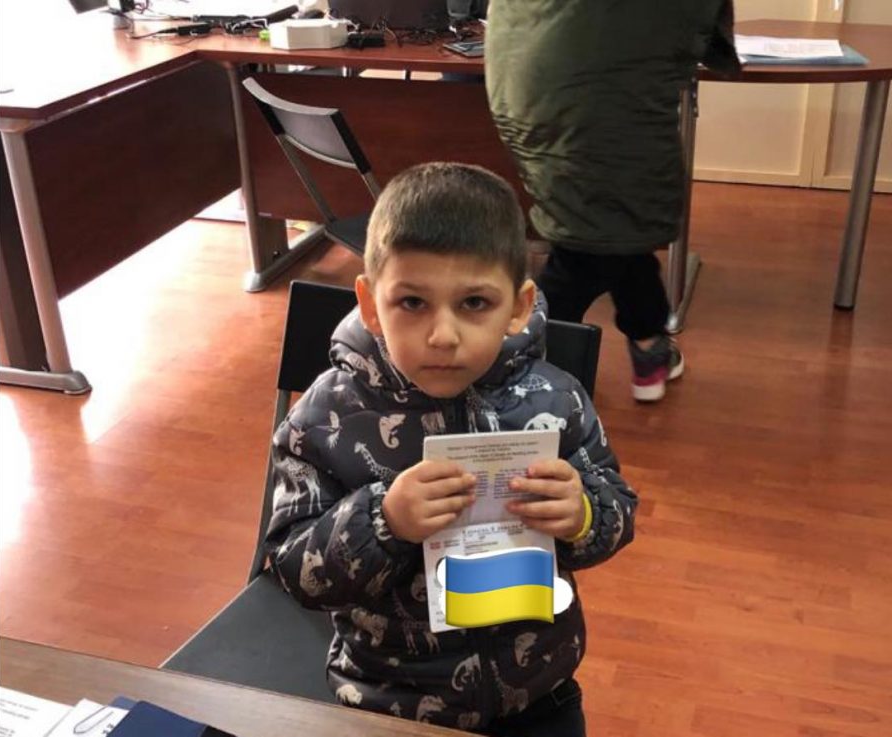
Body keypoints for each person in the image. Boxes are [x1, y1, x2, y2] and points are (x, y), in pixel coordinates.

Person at [266, 162, 637, 735]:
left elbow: (619, 508)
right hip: (386, 703)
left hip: (540, 695)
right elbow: (294, 572)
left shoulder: (557, 399)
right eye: (413, 303)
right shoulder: (324, 417)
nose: (443, 336)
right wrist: (383, 521)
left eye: (475, 303)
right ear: (370, 303)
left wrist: (584, 515)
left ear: (518, 306)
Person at [485, 0, 740, 402]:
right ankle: (526, 362)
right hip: (597, 94)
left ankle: (647, 348)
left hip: (529, 73)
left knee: (608, 228)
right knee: (588, 247)